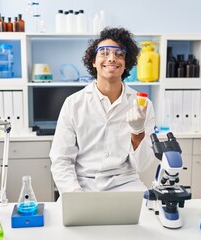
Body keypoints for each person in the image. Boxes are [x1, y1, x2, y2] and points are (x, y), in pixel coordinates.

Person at [50, 27, 156, 193]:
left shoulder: (143, 105)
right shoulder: (73, 103)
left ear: (126, 63)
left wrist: (138, 131)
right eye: (104, 52)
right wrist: (75, 194)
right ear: (93, 61)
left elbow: (142, 165)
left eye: (119, 54)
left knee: (146, 217)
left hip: (126, 184)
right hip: (82, 185)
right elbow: (61, 160)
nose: (112, 58)